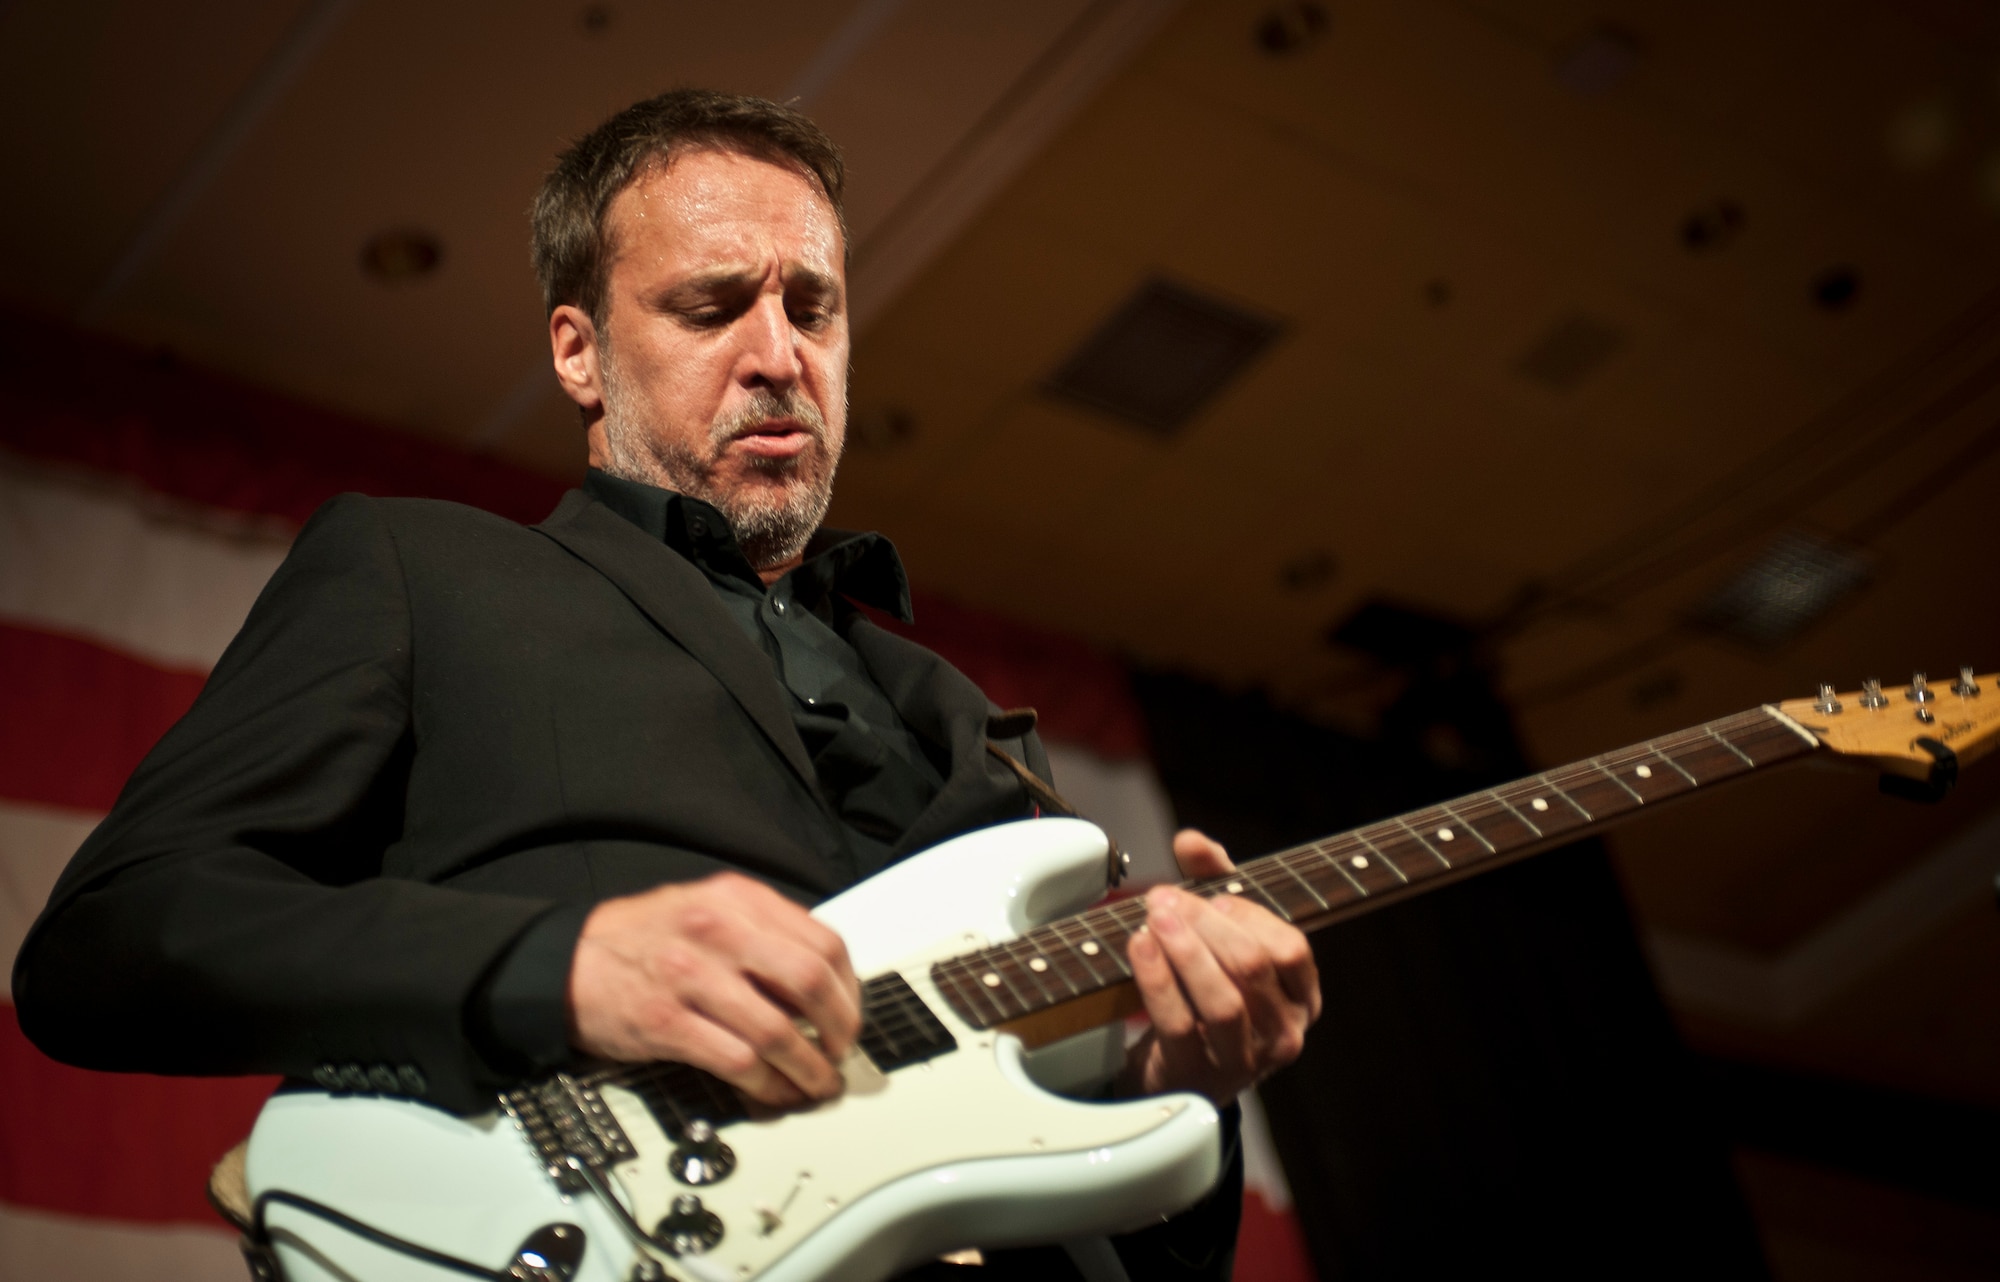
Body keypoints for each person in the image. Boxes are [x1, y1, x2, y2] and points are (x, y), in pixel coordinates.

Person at [13, 89, 1319, 1280]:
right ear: (578, 353)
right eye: (710, 308)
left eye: (813, 308)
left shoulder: (970, 729)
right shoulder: (419, 569)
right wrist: (566, 964)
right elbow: (110, 939)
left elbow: (1112, 1233)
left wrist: (1184, 1083)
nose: (780, 355)